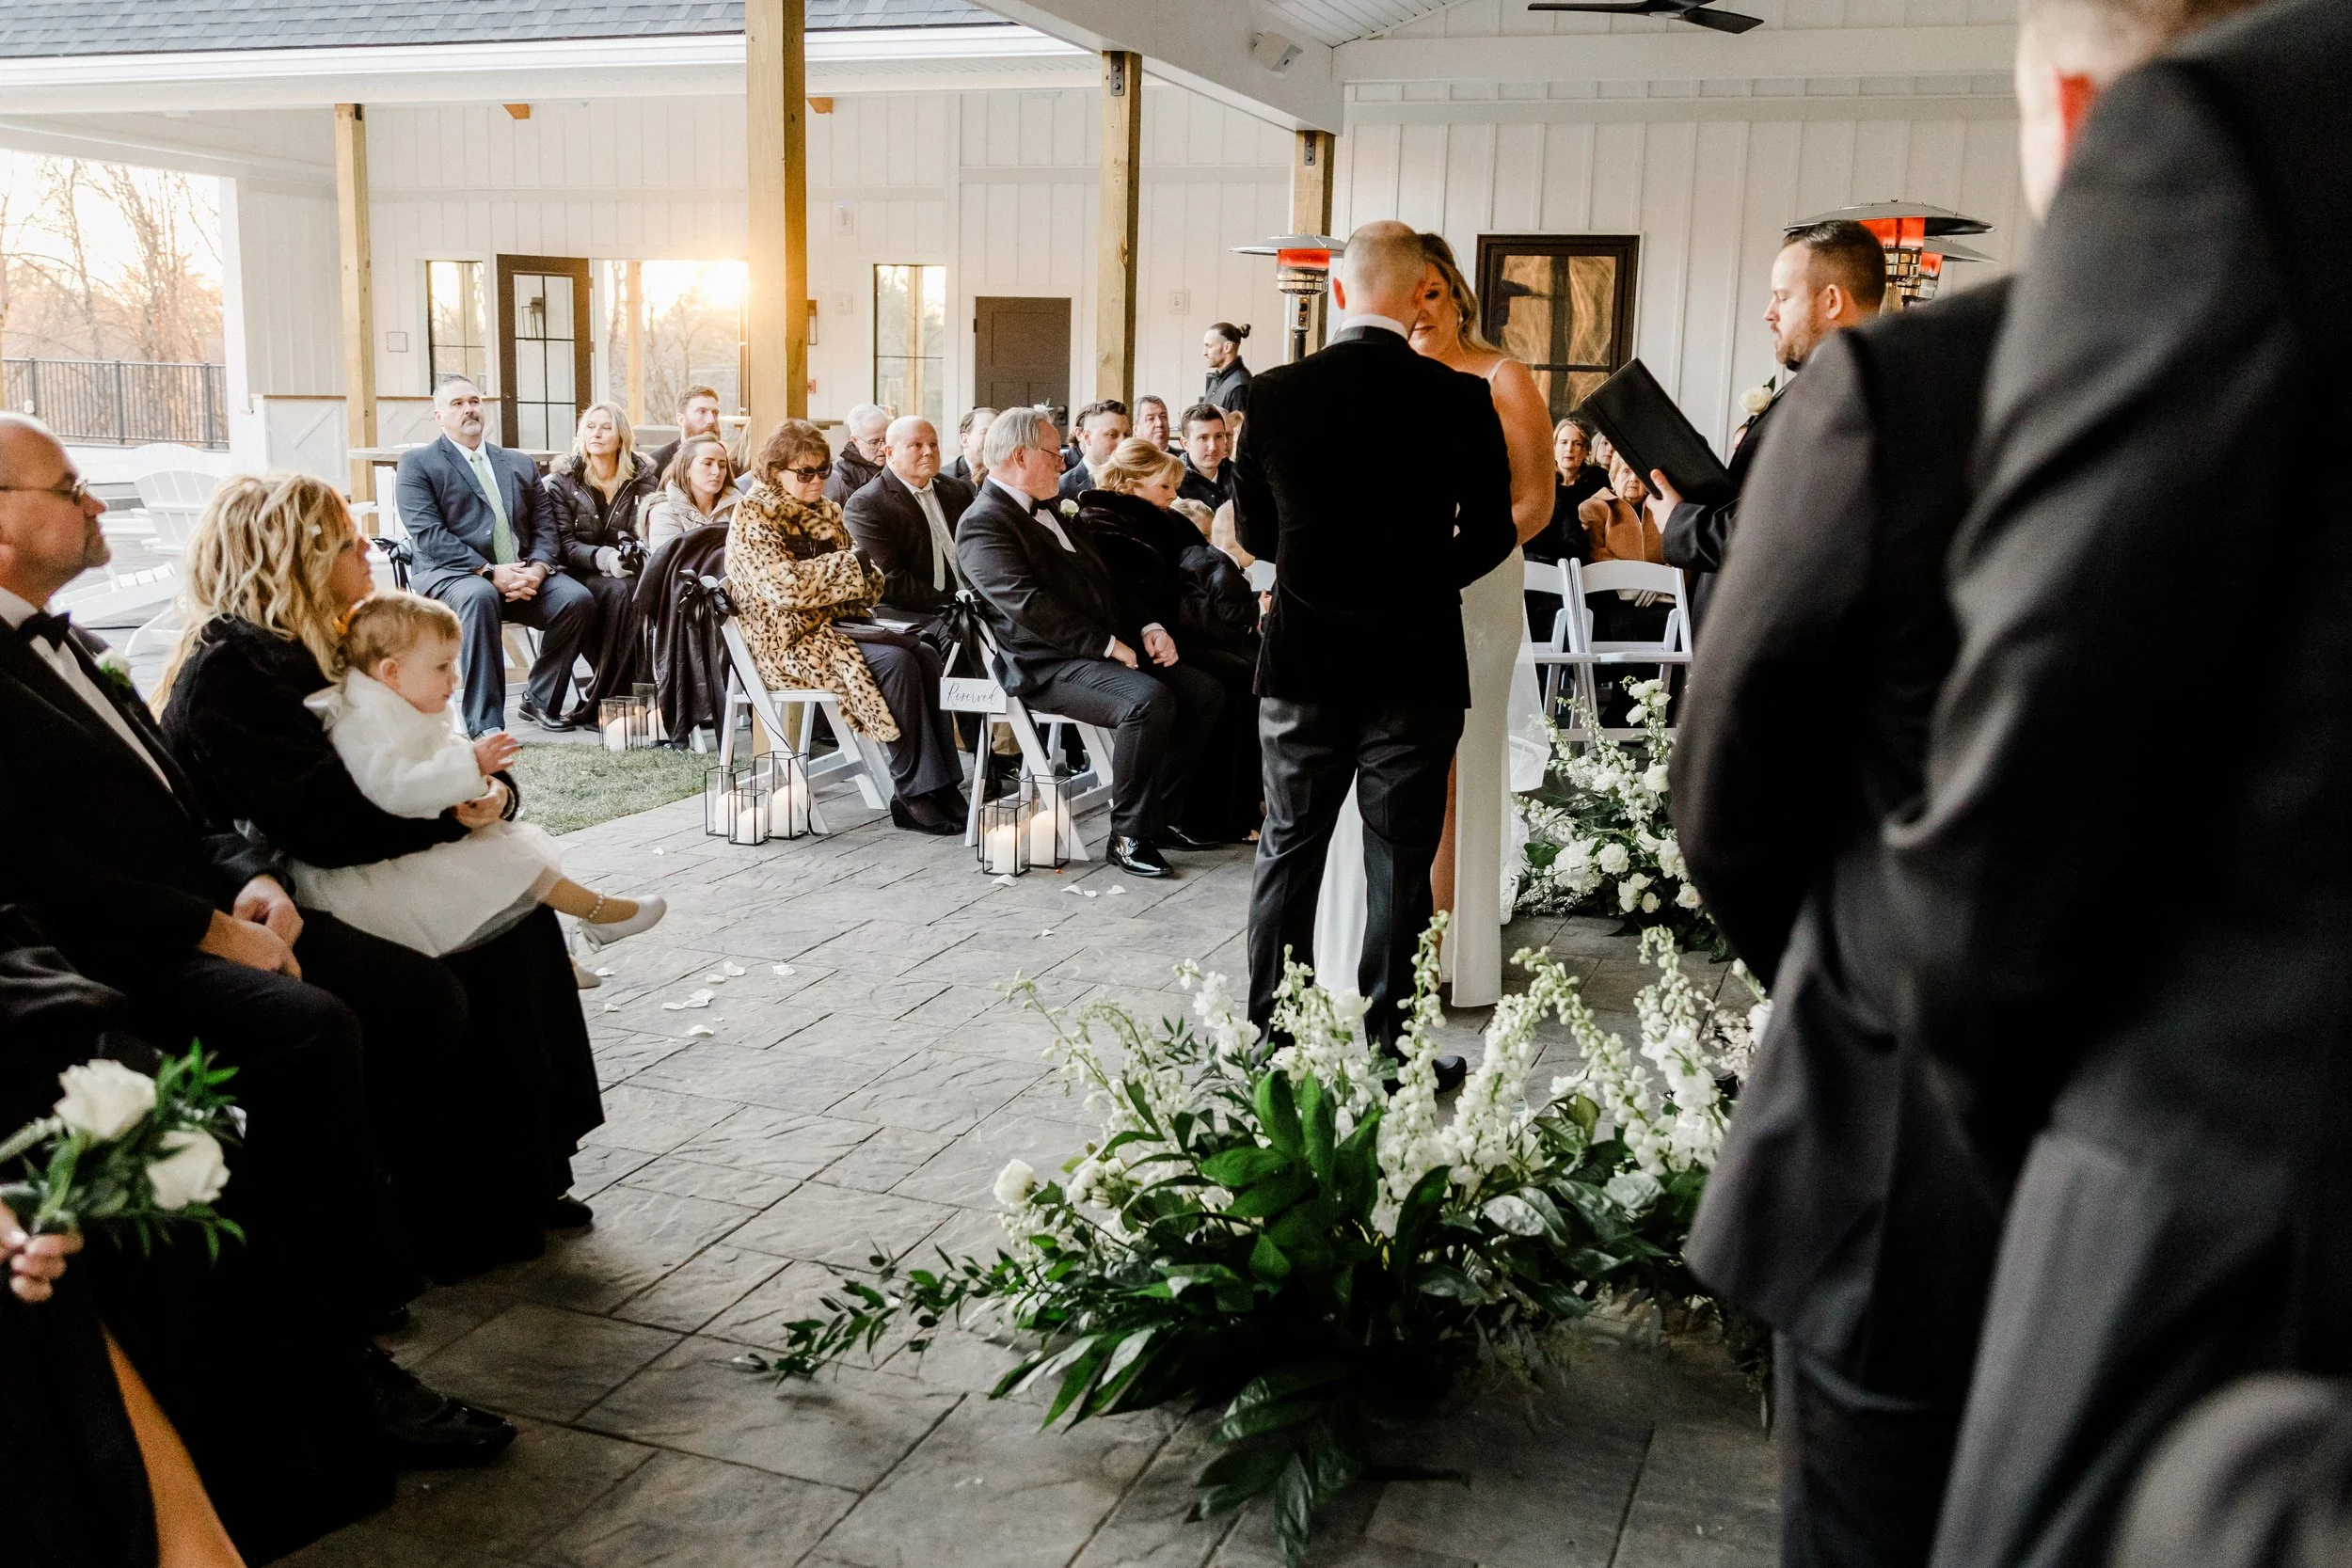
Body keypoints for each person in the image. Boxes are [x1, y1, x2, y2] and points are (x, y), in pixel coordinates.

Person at [1883, 2, 2334, 1566]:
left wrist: (2026, 1134)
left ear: (2071, 99)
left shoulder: (2231, 141)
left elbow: (2024, 793)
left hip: (2243, 1205)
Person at [0, 423, 519, 1545]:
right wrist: (202, 924)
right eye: (71, 489)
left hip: (212, 912)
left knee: (419, 994)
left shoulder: (69, 640)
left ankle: (410, 1223)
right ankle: (347, 1335)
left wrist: (246, 883)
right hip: (99, 953)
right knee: (310, 1030)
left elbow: (183, 798)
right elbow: (33, 864)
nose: (95, 505)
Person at [1668, 261, 2016, 1565]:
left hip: (1920, 1138)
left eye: (1779, 290)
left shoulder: (1901, 392)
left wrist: (1841, 964)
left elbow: (1727, 785)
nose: (1768, 312)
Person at [155, 470, 606, 1284]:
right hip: (279, 885)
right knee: (457, 960)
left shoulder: (333, 640)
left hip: (367, 857)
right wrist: (453, 810)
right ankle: (450, 1206)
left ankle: (524, 1172)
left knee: (521, 921)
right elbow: (323, 824)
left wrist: (489, 793)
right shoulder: (234, 671)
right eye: (347, 540)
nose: (368, 548)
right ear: (297, 555)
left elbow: (435, 744)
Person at [1234, 221, 1517, 1054]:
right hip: (1416, 663)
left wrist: (1315, 570)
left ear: (1342, 292)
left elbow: (1253, 527)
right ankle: (1392, 1046)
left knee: (1288, 849)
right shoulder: (1458, 398)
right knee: (1401, 860)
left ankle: (1273, 1040)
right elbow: (1496, 531)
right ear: (1420, 292)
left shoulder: (1276, 393)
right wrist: (1426, 581)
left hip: (1303, 659)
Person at [291, 592, 669, 958]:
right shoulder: (365, 721)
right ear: (391, 672)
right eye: (442, 667)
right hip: (371, 869)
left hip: (414, 837)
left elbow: (436, 750)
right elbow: (390, 787)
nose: (454, 679)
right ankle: (596, 915)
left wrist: (489, 786)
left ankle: (571, 947)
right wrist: (469, 766)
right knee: (508, 860)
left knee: (509, 852)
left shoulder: (392, 701)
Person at [957, 407, 1224, 879]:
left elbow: (1111, 580)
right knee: (1146, 701)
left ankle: (1158, 815)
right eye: (1053, 453)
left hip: (1095, 650)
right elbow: (1028, 605)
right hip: (1044, 665)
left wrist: (1147, 627)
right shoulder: (984, 523)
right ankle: (1127, 834)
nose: (1063, 463)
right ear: (1020, 456)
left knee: (1204, 692)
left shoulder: (1056, 507)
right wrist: (1104, 644)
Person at [731, 420, 968, 834]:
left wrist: (843, 577)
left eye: (823, 470)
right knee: (896, 663)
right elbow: (787, 587)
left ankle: (944, 785)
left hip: (839, 627)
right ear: (775, 471)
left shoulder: (826, 512)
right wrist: (846, 568)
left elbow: (872, 583)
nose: (817, 480)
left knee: (926, 651)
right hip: (786, 643)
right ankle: (913, 793)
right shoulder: (754, 516)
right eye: (804, 472)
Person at [1645, 221, 1883, 632]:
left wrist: (1681, 523)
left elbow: (1782, 531)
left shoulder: (1846, 397)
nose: (1768, 313)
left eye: (1783, 297)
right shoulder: (1836, 386)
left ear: (1830, 301)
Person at [1075, 437, 1262, 845]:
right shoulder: (1101, 521)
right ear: (1130, 483)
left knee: (1245, 674)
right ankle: (1184, 810)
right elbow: (1132, 595)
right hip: (1136, 639)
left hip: (1175, 630)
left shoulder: (1164, 519)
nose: (1174, 496)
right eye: (1164, 487)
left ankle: (1233, 807)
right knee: (1215, 685)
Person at [394, 375, 595, 736]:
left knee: (576, 599)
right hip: (453, 577)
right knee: (481, 596)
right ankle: (485, 723)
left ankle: (541, 698)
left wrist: (537, 569)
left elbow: (545, 526)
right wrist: (488, 571)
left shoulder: (517, 463)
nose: (469, 408)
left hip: (521, 576)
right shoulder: (418, 464)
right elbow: (429, 536)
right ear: (438, 416)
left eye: (474, 400)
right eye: (457, 403)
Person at [543, 401, 659, 718]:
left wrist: (629, 552)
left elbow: (647, 531)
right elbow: (564, 544)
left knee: (635, 591)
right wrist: (602, 557)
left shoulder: (643, 479)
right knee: (621, 593)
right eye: (590, 427)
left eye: (606, 427)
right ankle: (613, 701)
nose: (597, 433)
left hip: (628, 569)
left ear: (621, 437)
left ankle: (622, 698)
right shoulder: (563, 480)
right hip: (576, 569)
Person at [844, 414, 977, 627]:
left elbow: (975, 549)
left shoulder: (957, 490)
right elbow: (891, 579)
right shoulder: (867, 504)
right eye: (916, 445)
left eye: (933, 444)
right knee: (960, 636)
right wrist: (951, 605)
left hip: (968, 600)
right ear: (889, 453)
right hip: (909, 611)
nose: (929, 452)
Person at [1524, 415, 1606, 639]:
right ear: (1553, 448)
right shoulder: (1541, 482)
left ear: (1586, 451)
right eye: (1563, 442)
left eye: (1577, 443)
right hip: (1544, 563)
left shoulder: (1599, 481)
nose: (1569, 449)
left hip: (1586, 562)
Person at [641, 433, 741, 551]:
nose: (716, 471)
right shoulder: (665, 511)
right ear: (686, 468)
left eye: (722, 465)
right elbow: (670, 564)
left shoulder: (740, 507)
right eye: (707, 463)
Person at [1056, 399, 1131, 500]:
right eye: (1112, 435)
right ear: (1087, 437)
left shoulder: (1136, 479)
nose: (1123, 442)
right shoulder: (1064, 487)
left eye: (1126, 435)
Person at [644, 383, 723, 480]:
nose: (711, 420)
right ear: (681, 419)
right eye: (702, 412)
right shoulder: (657, 463)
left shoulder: (728, 464)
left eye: (715, 413)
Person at [823, 403, 891, 505]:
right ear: (855, 440)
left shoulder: (898, 462)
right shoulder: (840, 475)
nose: (883, 447)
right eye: (874, 442)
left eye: (887, 439)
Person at [1178, 403, 1236, 513]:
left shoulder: (1238, 476)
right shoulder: (1174, 482)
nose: (1213, 447)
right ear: (1185, 444)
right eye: (1203, 438)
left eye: (1218, 436)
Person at [1201, 322, 1253, 415]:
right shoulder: (1219, 378)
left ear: (1227, 347)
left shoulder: (1239, 386)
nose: (1204, 352)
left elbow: (1240, 428)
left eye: (1209, 346)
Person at [948, 405, 996, 486]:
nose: (994, 439)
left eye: (998, 434)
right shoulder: (946, 478)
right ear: (964, 439)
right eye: (985, 433)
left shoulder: (1011, 475)